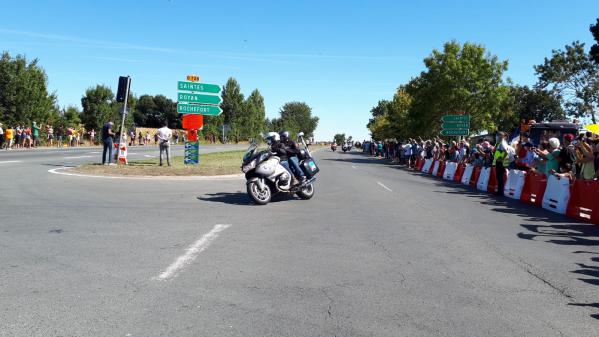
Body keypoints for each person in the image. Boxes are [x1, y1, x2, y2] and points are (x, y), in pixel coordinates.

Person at [492, 132, 509, 196]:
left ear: (502, 136)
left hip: (501, 162)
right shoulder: (499, 143)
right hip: (498, 161)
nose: (498, 137)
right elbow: (495, 151)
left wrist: (501, 159)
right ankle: (499, 191)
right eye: (498, 136)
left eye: (499, 136)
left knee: (500, 177)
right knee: (499, 177)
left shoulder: (502, 143)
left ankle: (500, 192)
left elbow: (506, 152)